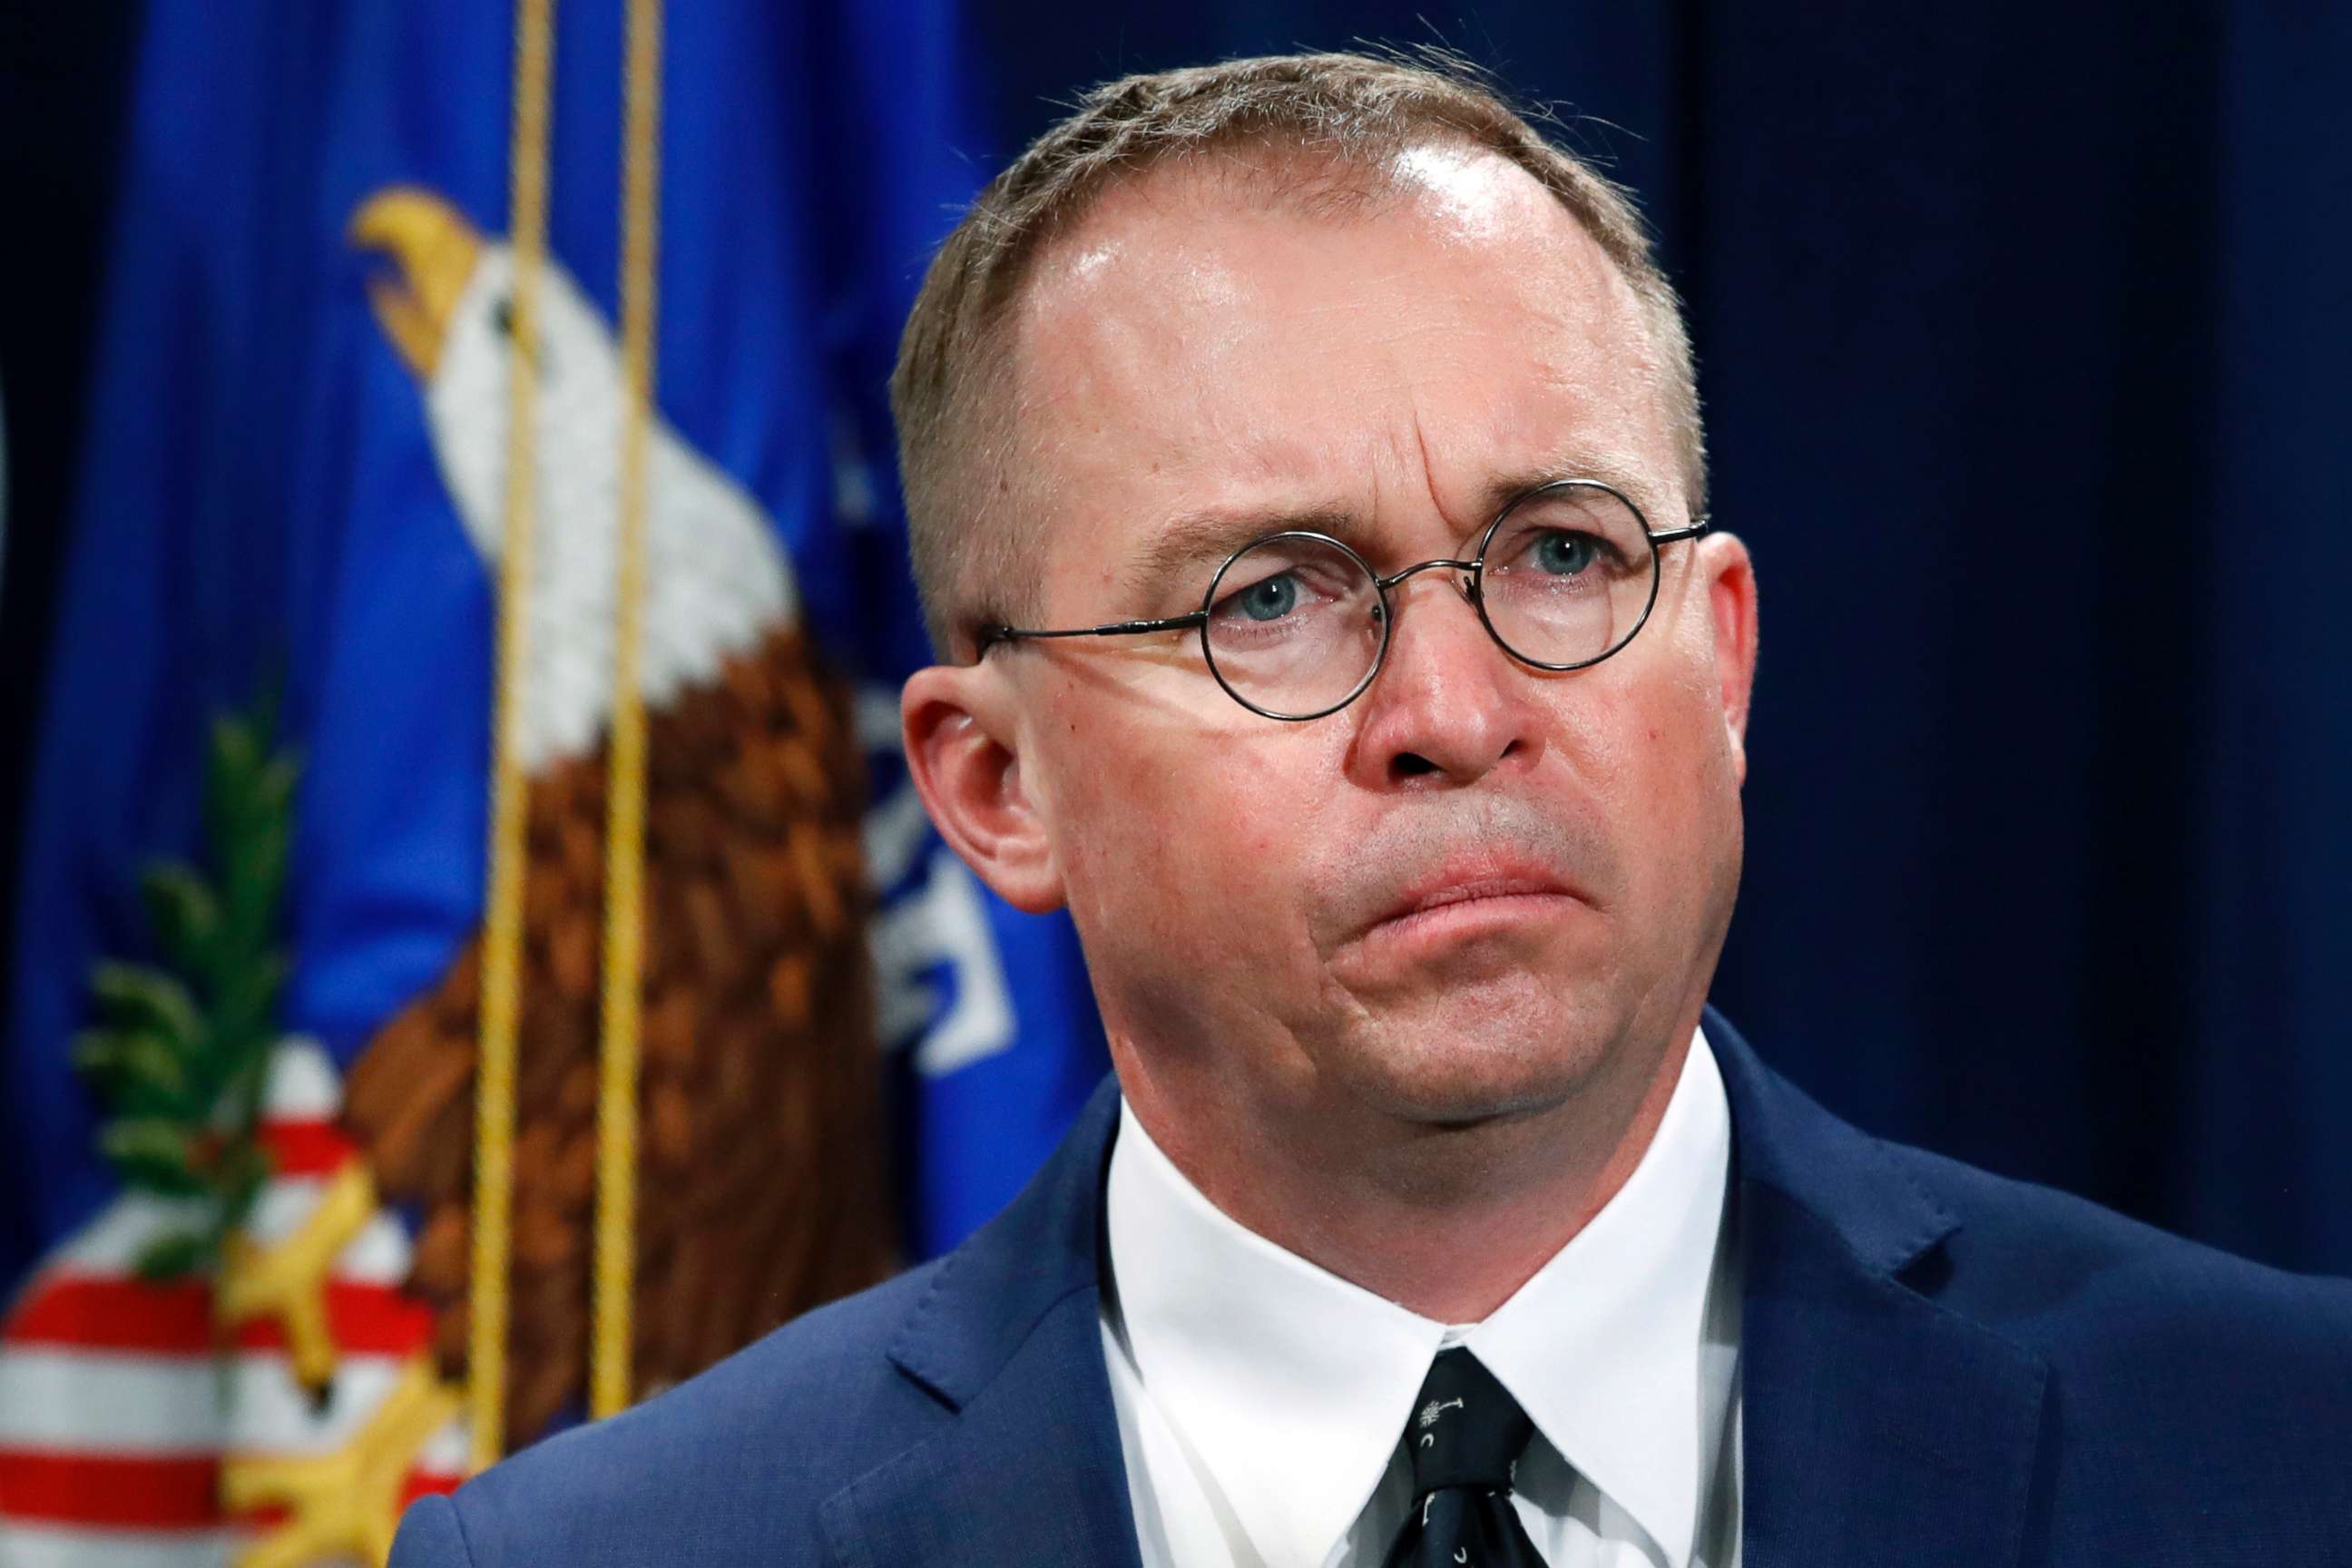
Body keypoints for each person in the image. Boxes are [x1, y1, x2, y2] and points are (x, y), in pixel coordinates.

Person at [390, 50, 2352, 1568]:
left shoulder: (2284, 1461)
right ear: (996, 788)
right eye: (1271, 598)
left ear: (1727, 658)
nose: (1455, 710)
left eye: (1565, 556)